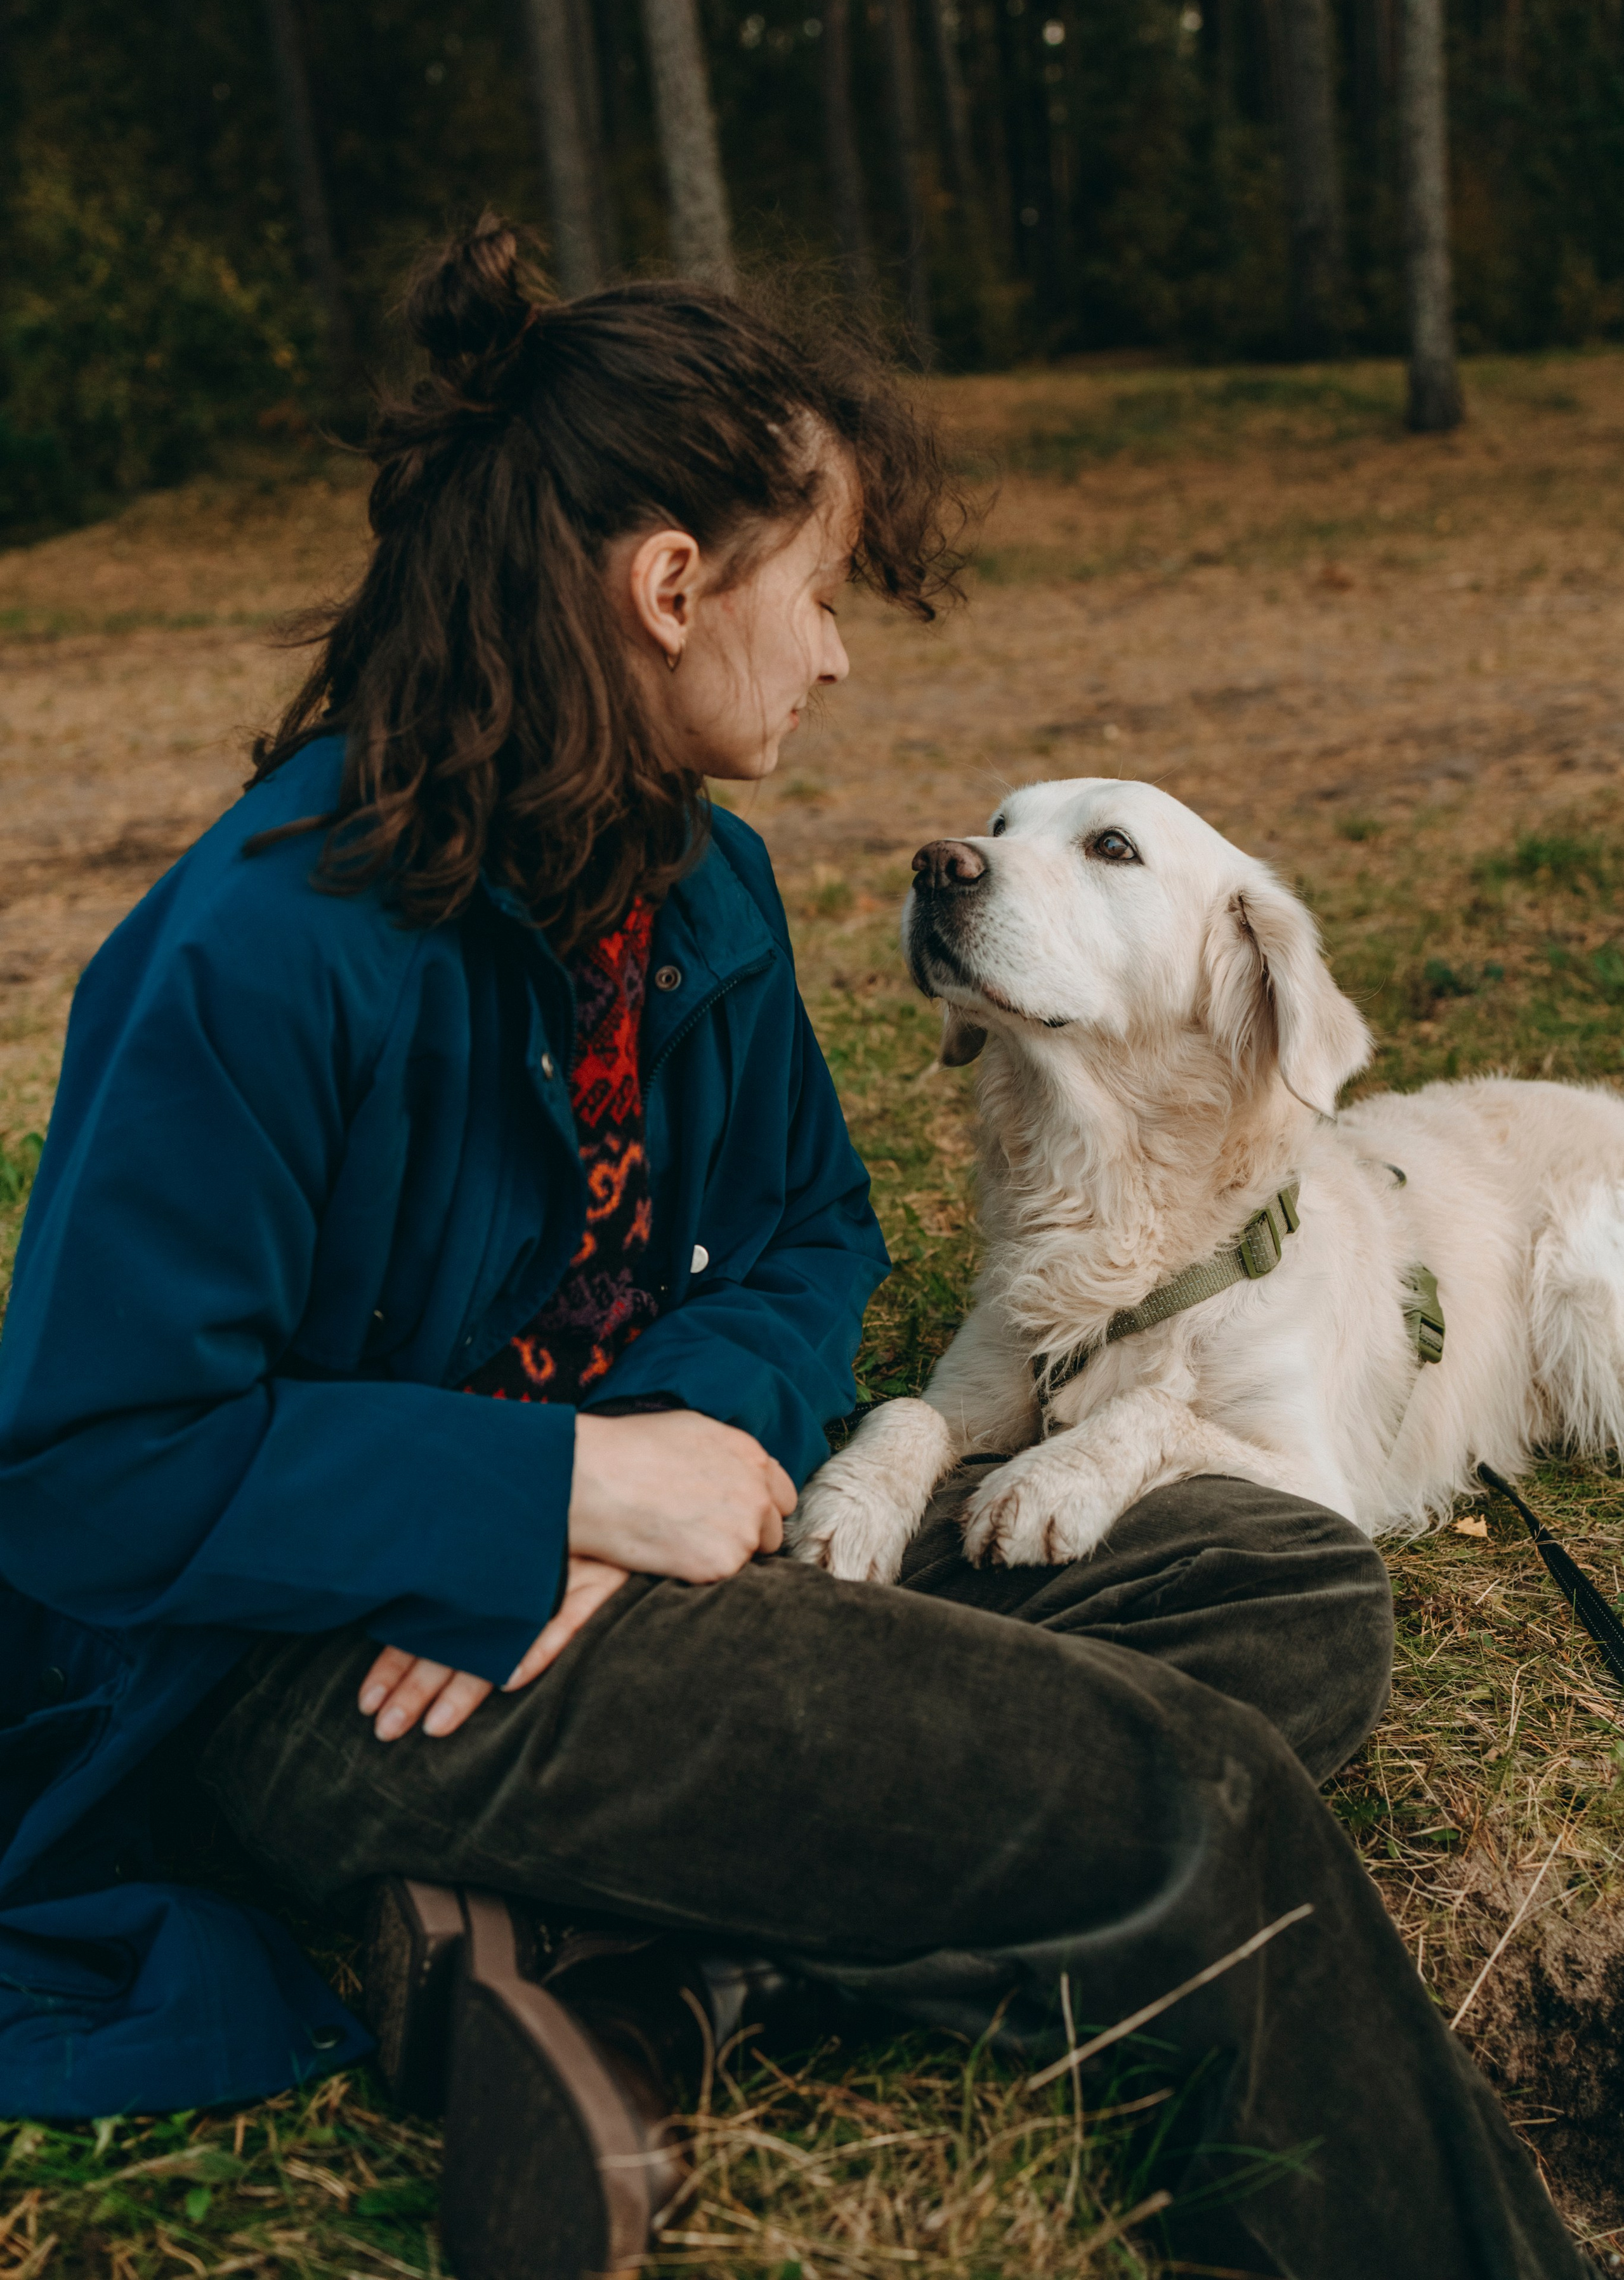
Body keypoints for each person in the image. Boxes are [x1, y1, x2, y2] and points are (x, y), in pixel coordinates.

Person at [0, 219, 1590, 2280]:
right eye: (820, 593)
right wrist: (555, 1492)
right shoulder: (258, 951)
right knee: (1177, 1793)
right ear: (672, 590)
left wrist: (684, 1450)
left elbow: (810, 1241)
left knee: (1285, 1590)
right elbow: (86, 1468)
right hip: (345, 1676)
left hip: (655, 1561)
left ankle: (646, 1985)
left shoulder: (704, 892)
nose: (836, 654)